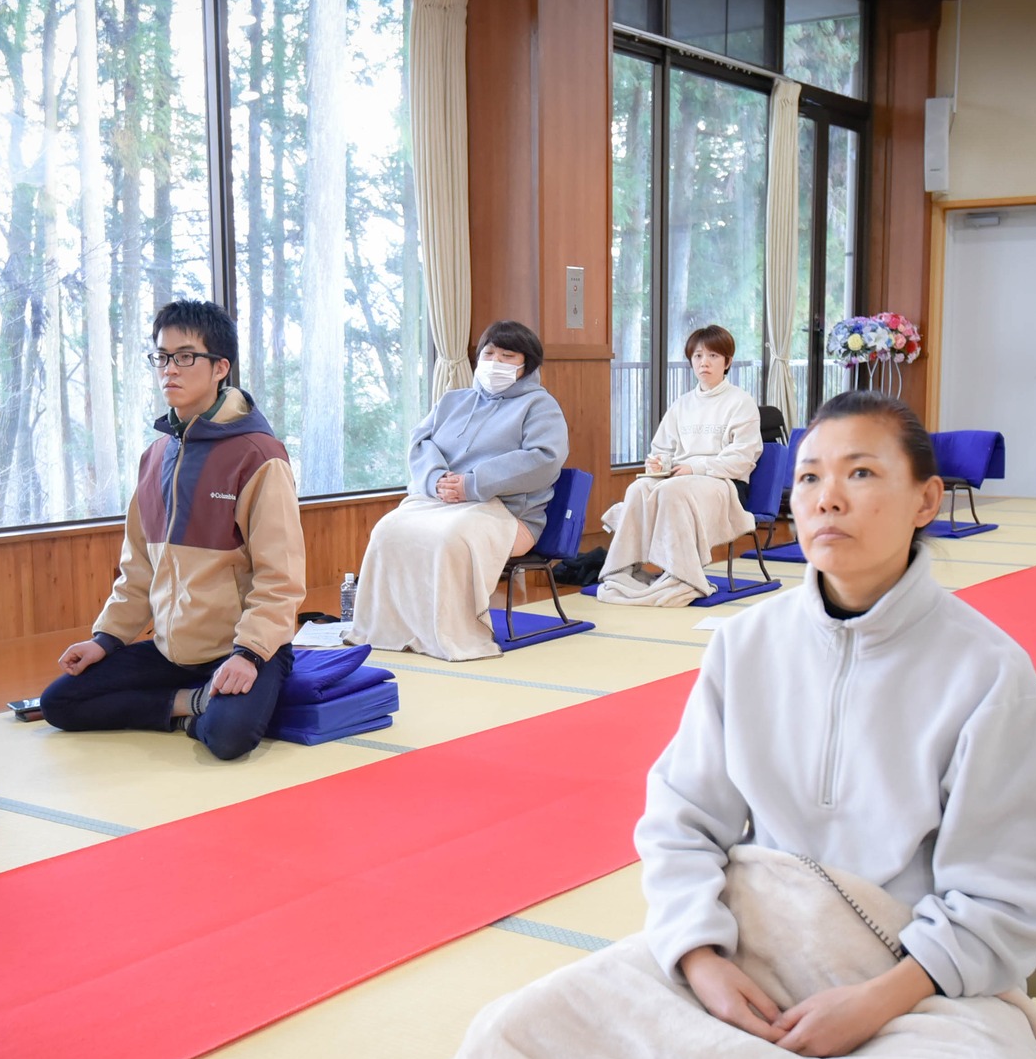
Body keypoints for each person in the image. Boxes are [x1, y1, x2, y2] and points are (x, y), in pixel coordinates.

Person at [638, 390, 1036, 1059]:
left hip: (916, 978)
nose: (826, 498)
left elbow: (1007, 890)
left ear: (926, 501)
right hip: (748, 945)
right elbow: (681, 817)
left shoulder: (987, 670)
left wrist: (877, 1002)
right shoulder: (744, 644)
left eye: (860, 473)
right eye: (809, 476)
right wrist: (700, 958)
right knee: (527, 1036)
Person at [40, 300, 305, 761]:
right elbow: (138, 570)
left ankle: (212, 702)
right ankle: (190, 704)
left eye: (185, 357)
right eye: (161, 357)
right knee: (58, 702)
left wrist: (251, 653)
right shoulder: (155, 457)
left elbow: (280, 579)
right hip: (170, 652)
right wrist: (105, 640)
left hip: (239, 647)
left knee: (228, 738)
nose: (169, 370)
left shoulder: (260, 456)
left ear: (221, 367)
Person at [347, 320, 568, 661]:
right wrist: (435, 479)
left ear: (528, 365)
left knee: (451, 536)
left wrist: (473, 483)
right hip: (440, 501)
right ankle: (387, 629)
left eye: (507, 355)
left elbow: (544, 459)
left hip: (507, 512)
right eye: (489, 353)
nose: (495, 362)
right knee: (387, 530)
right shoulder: (454, 401)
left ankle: (450, 633)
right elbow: (420, 441)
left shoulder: (540, 406)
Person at [597, 325, 764, 606]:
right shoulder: (682, 404)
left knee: (671, 492)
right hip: (680, 478)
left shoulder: (741, 402)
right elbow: (662, 448)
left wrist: (695, 468)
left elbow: (743, 458)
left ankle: (682, 575)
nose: (704, 362)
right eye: (697, 356)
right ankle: (623, 571)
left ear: (728, 361)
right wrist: (658, 463)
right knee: (639, 488)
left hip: (725, 483)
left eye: (713, 355)